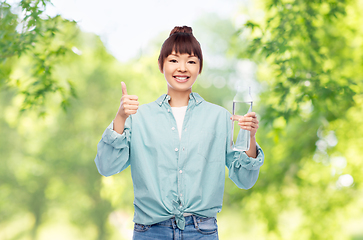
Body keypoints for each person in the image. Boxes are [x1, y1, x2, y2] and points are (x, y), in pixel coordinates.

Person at [94, 26, 264, 240]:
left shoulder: (219, 118)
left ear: (200, 68)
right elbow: (106, 166)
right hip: (150, 231)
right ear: (161, 65)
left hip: (202, 231)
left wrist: (250, 136)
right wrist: (120, 118)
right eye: (174, 60)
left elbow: (245, 179)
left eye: (191, 61)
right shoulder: (139, 118)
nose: (182, 68)